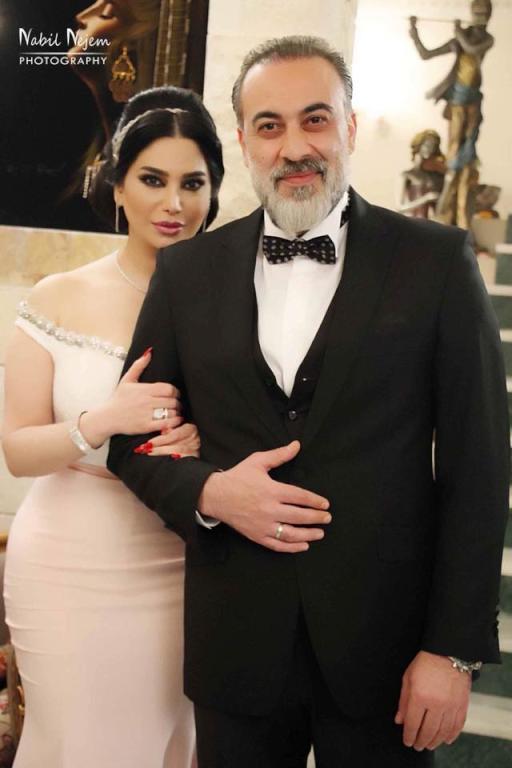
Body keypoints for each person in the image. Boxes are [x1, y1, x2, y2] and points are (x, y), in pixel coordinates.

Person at [108, 36, 509, 768]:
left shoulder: (437, 263)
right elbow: (130, 441)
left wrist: (452, 650)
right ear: (244, 141)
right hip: (236, 645)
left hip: (387, 650)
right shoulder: (187, 273)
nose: (294, 147)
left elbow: (478, 470)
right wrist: (211, 493)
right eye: (270, 125)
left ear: (349, 126)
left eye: (315, 119)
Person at [2, 85, 223, 768]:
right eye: (153, 180)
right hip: (68, 561)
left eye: (192, 183)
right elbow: (16, 450)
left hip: (182, 565)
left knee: (165, 746)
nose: (174, 203)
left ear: (213, 193)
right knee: (81, 746)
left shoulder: (230, 307)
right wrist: (101, 422)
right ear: (119, 186)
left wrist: (206, 444)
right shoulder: (58, 295)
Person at [409, 0, 494, 228]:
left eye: (484, 13)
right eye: (477, 12)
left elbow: (473, 50)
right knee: (455, 152)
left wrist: (458, 32)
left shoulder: (486, 39)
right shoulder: (460, 40)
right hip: (457, 101)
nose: (481, 17)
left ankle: (461, 207)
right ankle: (447, 211)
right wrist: (414, 31)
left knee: (468, 154)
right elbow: (426, 54)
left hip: (473, 102)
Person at [399, 130, 446, 218]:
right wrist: (425, 199)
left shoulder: (434, 176)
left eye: (433, 146)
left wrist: (448, 183)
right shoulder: (406, 175)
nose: (430, 149)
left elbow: (440, 209)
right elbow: (399, 208)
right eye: (427, 145)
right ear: (419, 145)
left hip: (432, 222)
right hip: (413, 222)